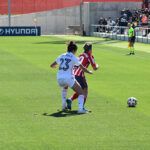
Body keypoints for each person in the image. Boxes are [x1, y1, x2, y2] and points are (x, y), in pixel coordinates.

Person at [50, 41, 93, 114]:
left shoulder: (62, 55)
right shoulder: (74, 57)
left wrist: (56, 66)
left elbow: (52, 65)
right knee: (81, 92)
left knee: (64, 88)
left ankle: (63, 106)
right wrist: (89, 71)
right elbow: (82, 68)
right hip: (68, 78)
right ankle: (80, 109)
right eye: (75, 51)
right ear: (73, 50)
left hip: (59, 78)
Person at [66, 43, 99, 111]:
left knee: (80, 90)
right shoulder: (89, 56)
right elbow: (94, 67)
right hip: (80, 75)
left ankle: (70, 99)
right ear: (90, 49)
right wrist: (98, 66)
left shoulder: (81, 55)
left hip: (73, 73)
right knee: (85, 91)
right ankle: (82, 108)